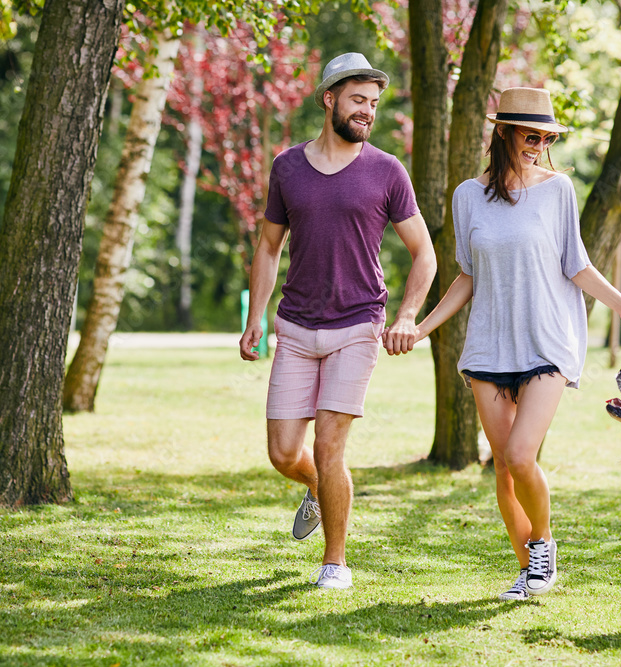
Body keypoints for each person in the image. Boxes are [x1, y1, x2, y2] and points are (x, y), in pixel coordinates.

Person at [412, 87, 621, 600]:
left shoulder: (557, 190)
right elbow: (465, 277)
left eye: (546, 137)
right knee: (503, 467)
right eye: (529, 134)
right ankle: (531, 568)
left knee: (521, 454)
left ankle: (543, 548)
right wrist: (420, 327)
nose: (538, 144)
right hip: (487, 349)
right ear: (503, 131)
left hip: (547, 344)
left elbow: (577, 265)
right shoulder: (466, 196)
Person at [239, 53, 436, 590]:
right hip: (296, 326)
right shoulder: (288, 168)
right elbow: (268, 245)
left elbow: (426, 254)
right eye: (357, 100)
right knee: (284, 453)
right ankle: (318, 489)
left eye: (373, 103)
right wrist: (255, 317)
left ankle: (335, 563)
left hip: (358, 322)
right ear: (329, 99)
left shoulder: (386, 170)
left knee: (330, 447)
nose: (367, 111)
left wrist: (408, 314)